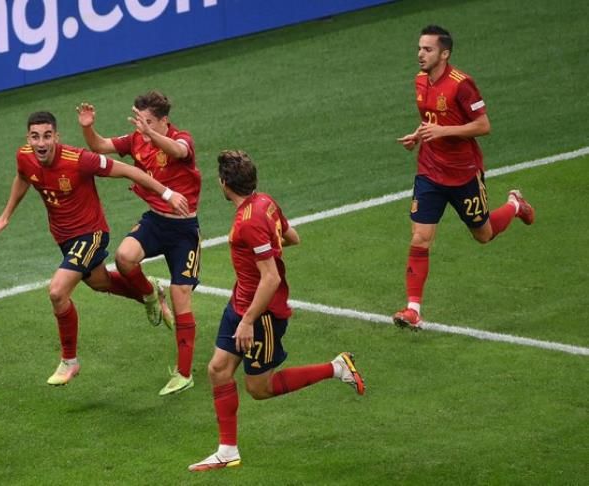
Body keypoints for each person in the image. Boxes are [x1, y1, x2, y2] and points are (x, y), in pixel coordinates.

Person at [188, 150, 365, 472]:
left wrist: (248, 321)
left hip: (262, 314)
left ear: (224, 183)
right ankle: (227, 451)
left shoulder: (249, 221)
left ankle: (337, 368)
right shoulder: (265, 202)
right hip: (241, 302)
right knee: (218, 370)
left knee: (259, 388)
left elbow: (271, 278)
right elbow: (292, 236)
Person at [0, 111, 188, 386]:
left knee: (57, 292)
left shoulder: (79, 160)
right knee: (100, 282)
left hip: (91, 234)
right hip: (64, 238)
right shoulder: (25, 156)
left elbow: (129, 170)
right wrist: (6, 215)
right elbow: (23, 177)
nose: (41, 143)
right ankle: (149, 291)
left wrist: (167, 193)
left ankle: (70, 361)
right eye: (35, 137)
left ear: (56, 136)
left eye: (47, 136)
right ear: (28, 138)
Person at [393, 25, 535, 330]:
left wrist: (443, 131)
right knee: (420, 238)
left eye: (428, 49)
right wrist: (418, 135)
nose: (420, 54)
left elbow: (483, 125)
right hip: (430, 171)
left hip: (463, 174)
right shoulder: (420, 81)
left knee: (483, 235)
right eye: (419, 48)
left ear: (444, 54)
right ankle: (413, 310)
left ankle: (514, 205)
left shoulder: (462, 84)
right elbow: (430, 119)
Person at [77, 91, 202, 396]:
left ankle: (184, 373)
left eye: (148, 121)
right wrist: (88, 127)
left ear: (164, 121)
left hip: (184, 232)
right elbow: (99, 146)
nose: (141, 126)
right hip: (156, 222)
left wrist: (151, 134)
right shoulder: (136, 139)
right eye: (139, 120)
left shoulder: (181, 139)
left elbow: (179, 151)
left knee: (181, 297)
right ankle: (149, 294)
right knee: (124, 257)